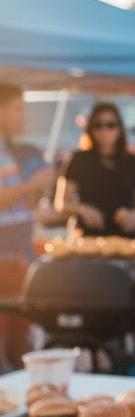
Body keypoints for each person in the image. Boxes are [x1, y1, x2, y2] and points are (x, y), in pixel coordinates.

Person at [0, 83, 57, 370]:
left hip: (19, 257)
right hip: (4, 262)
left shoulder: (11, 150)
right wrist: (29, 186)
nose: (23, 116)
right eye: (17, 109)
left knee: (20, 340)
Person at [55, 102, 135, 237]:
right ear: (91, 129)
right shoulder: (78, 159)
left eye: (111, 125)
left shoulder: (132, 162)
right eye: (98, 125)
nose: (104, 131)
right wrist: (82, 209)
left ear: (119, 129)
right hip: (88, 238)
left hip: (126, 240)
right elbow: (60, 204)